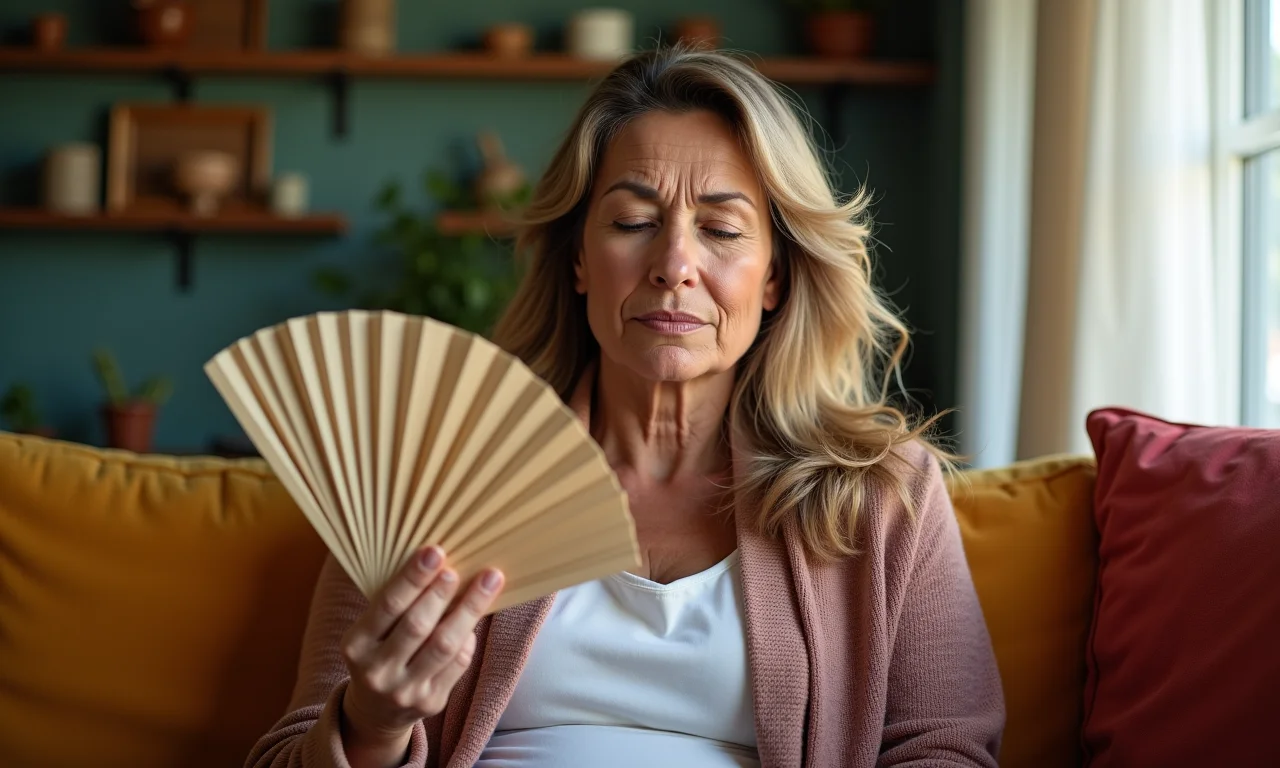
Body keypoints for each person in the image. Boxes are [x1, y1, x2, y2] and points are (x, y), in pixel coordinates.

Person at [246, 45, 1004, 768]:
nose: (674, 265)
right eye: (633, 222)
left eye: (721, 229)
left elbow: (943, 750)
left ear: (775, 276)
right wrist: (371, 724)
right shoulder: (428, 479)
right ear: (579, 257)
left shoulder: (882, 495)